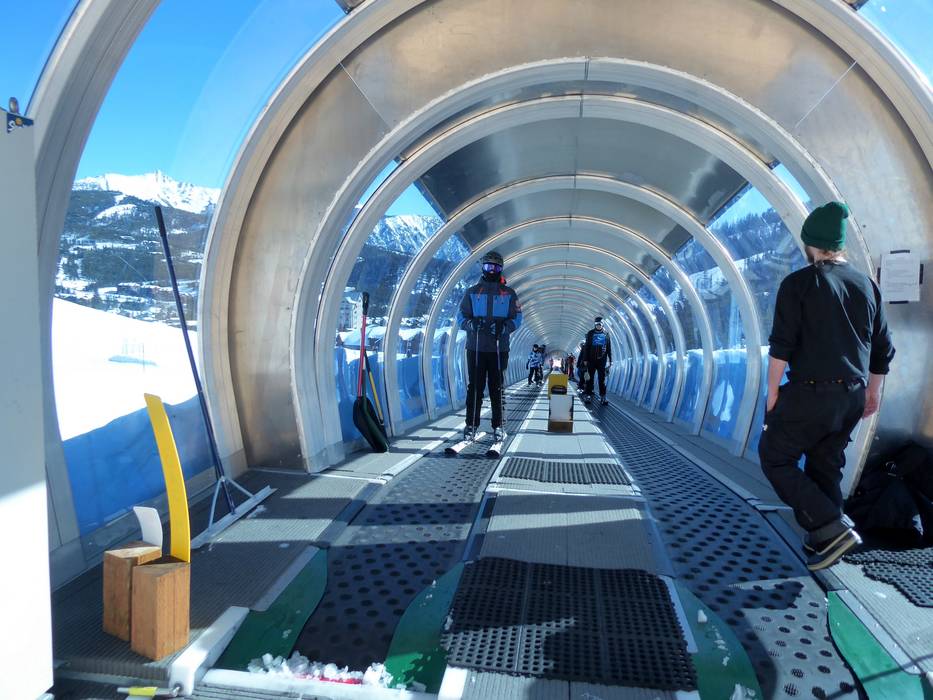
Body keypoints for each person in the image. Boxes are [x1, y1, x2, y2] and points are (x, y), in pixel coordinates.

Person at [758, 202, 895, 571]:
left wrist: (773, 393)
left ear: (810, 244)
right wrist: (872, 392)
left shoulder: (799, 284)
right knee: (825, 465)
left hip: (810, 393)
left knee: (775, 456)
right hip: (852, 395)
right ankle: (826, 540)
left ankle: (831, 526)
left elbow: (782, 346)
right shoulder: (867, 286)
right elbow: (883, 348)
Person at [457, 251, 522, 443]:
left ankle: (499, 426)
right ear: (483, 268)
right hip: (476, 347)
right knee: (475, 388)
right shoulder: (472, 292)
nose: (491, 270)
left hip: (499, 348)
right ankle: (471, 425)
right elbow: (461, 316)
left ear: (501, 269)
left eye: (495, 267)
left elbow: (517, 317)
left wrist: (505, 327)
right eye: (488, 266)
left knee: (497, 388)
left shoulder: (509, 293)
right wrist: (471, 324)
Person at [582, 317, 613, 404]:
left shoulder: (606, 334)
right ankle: (588, 395)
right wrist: (585, 359)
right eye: (596, 324)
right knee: (590, 378)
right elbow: (587, 347)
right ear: (594, 324)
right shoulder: (591, 333)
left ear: (602, 324)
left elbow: (609, 348)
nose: (598, 325)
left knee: (602, 379)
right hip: (591, 360)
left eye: (600, 324)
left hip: (602, 360)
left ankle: (603, 396)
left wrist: (611, 360)